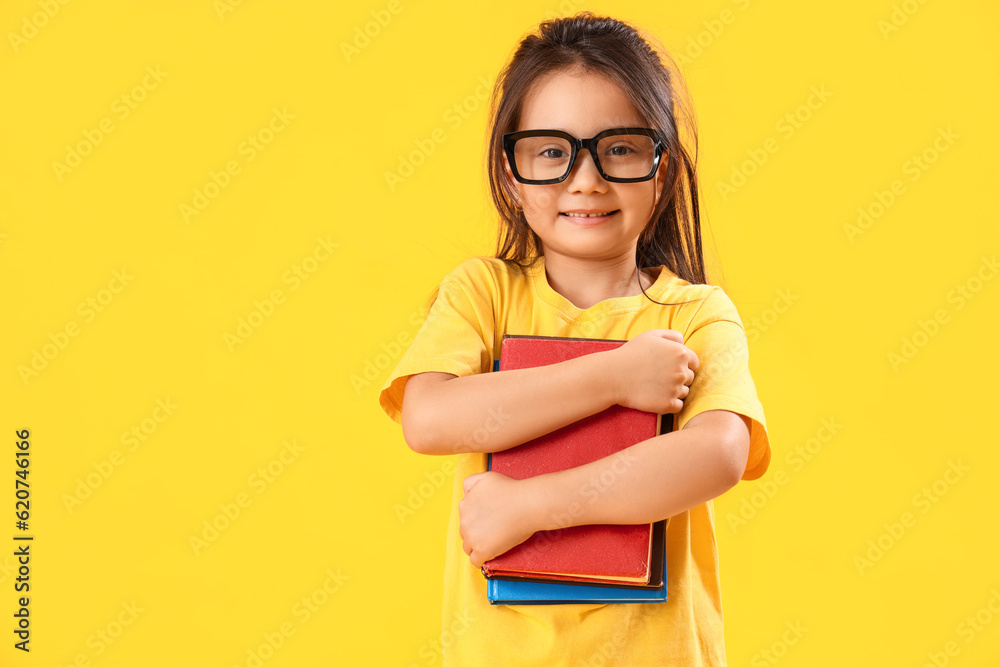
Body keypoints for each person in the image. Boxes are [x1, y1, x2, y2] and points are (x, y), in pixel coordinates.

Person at [379, 11, 771, 666]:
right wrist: (615, 378)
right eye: (552, 151)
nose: (586, 179)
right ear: (510, 172)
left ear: (662, 168)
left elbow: (719, 453)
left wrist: (530, 505)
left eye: (618, 147)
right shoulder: (485, 294)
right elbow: (429, 417)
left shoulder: (695, 313)